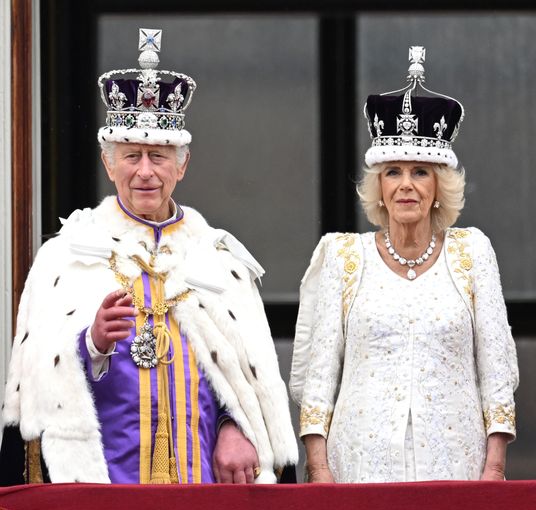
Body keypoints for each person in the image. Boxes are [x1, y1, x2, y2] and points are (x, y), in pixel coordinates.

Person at [1, 28, 298, 485]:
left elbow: (242, 376)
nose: (144, 172)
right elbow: (39, 388)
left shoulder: (221, 260)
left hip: (202, 481)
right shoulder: (64, 257)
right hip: (102, 484)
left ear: (182, 165)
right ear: (108, 163)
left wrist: (235, 425)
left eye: (158, 156)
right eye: (131, 155)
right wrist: (92, 343)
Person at [290, 46, 518, 483]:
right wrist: (319, 469)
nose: (406, 185)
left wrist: (494, 468)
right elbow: (318, 378)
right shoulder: (343, 255)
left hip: (456, 466)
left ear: (439, 186)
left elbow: (496, 371)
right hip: (360, 465)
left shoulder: (472, 253)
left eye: (420, 172)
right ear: (378, 186)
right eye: (393, 172)